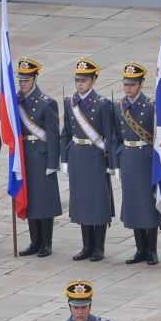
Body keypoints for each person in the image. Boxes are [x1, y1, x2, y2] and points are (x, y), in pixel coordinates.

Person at [63, 58, 117, 262]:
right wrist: (64, 158)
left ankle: (99, 247)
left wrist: (112, 163)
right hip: (77, 155)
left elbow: (110, 136)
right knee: (82, 201)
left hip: (96, 156)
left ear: (93, 80)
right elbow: (66, 132)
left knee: (98, 202)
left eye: (84, 80)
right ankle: (86, 245)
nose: (80, 84)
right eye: (77, 80)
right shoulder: (70, 102)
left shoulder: (103, 104)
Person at [10, 58, 59, 256]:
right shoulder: (16, 101)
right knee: (29, 197)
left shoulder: (47, 103)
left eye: (26, 80)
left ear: (35, 79)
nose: (22, 84)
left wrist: (53, 162)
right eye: (20, 80)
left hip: (41, 154)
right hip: (25, 156)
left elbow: (53, 135)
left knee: (43, 200)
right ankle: (34, 240)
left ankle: (46, 242)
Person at [114, 62, 161, 263]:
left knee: (148, 204)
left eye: (132, 85)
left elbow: (158, 136)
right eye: (126, 85)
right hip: (128, 158)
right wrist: (116, 162)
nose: (128, 88)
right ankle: (140, 248)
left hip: (145, 158)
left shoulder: (151, 106)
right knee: (133, 203)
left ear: (140, 84)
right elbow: (115, 136)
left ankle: (152, 249)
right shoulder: (118, 107)